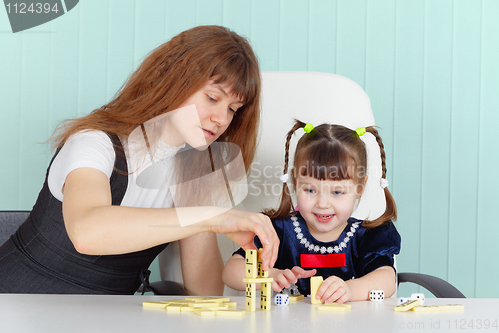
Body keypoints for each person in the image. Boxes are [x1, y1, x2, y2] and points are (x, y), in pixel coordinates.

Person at [0, 25, 278, 295]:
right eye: (212, 98)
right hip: (17, 300)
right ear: (174, 81)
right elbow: (86, 232)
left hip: (104, 319)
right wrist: (211, 217)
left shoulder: (194, 173)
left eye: (232, 109)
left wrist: (210, 220)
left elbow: (204, 294)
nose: (222, 119)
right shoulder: (94, 142)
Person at [222, 120, 400, 303]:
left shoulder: (368, 236)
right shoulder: (280, 231)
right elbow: (231, 271)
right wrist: (273, 274)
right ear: (295, 182)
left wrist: (351, 290)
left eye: (337, 192)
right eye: (310, 190)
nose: (322, 204)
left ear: (360, 187)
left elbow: (387, 279)